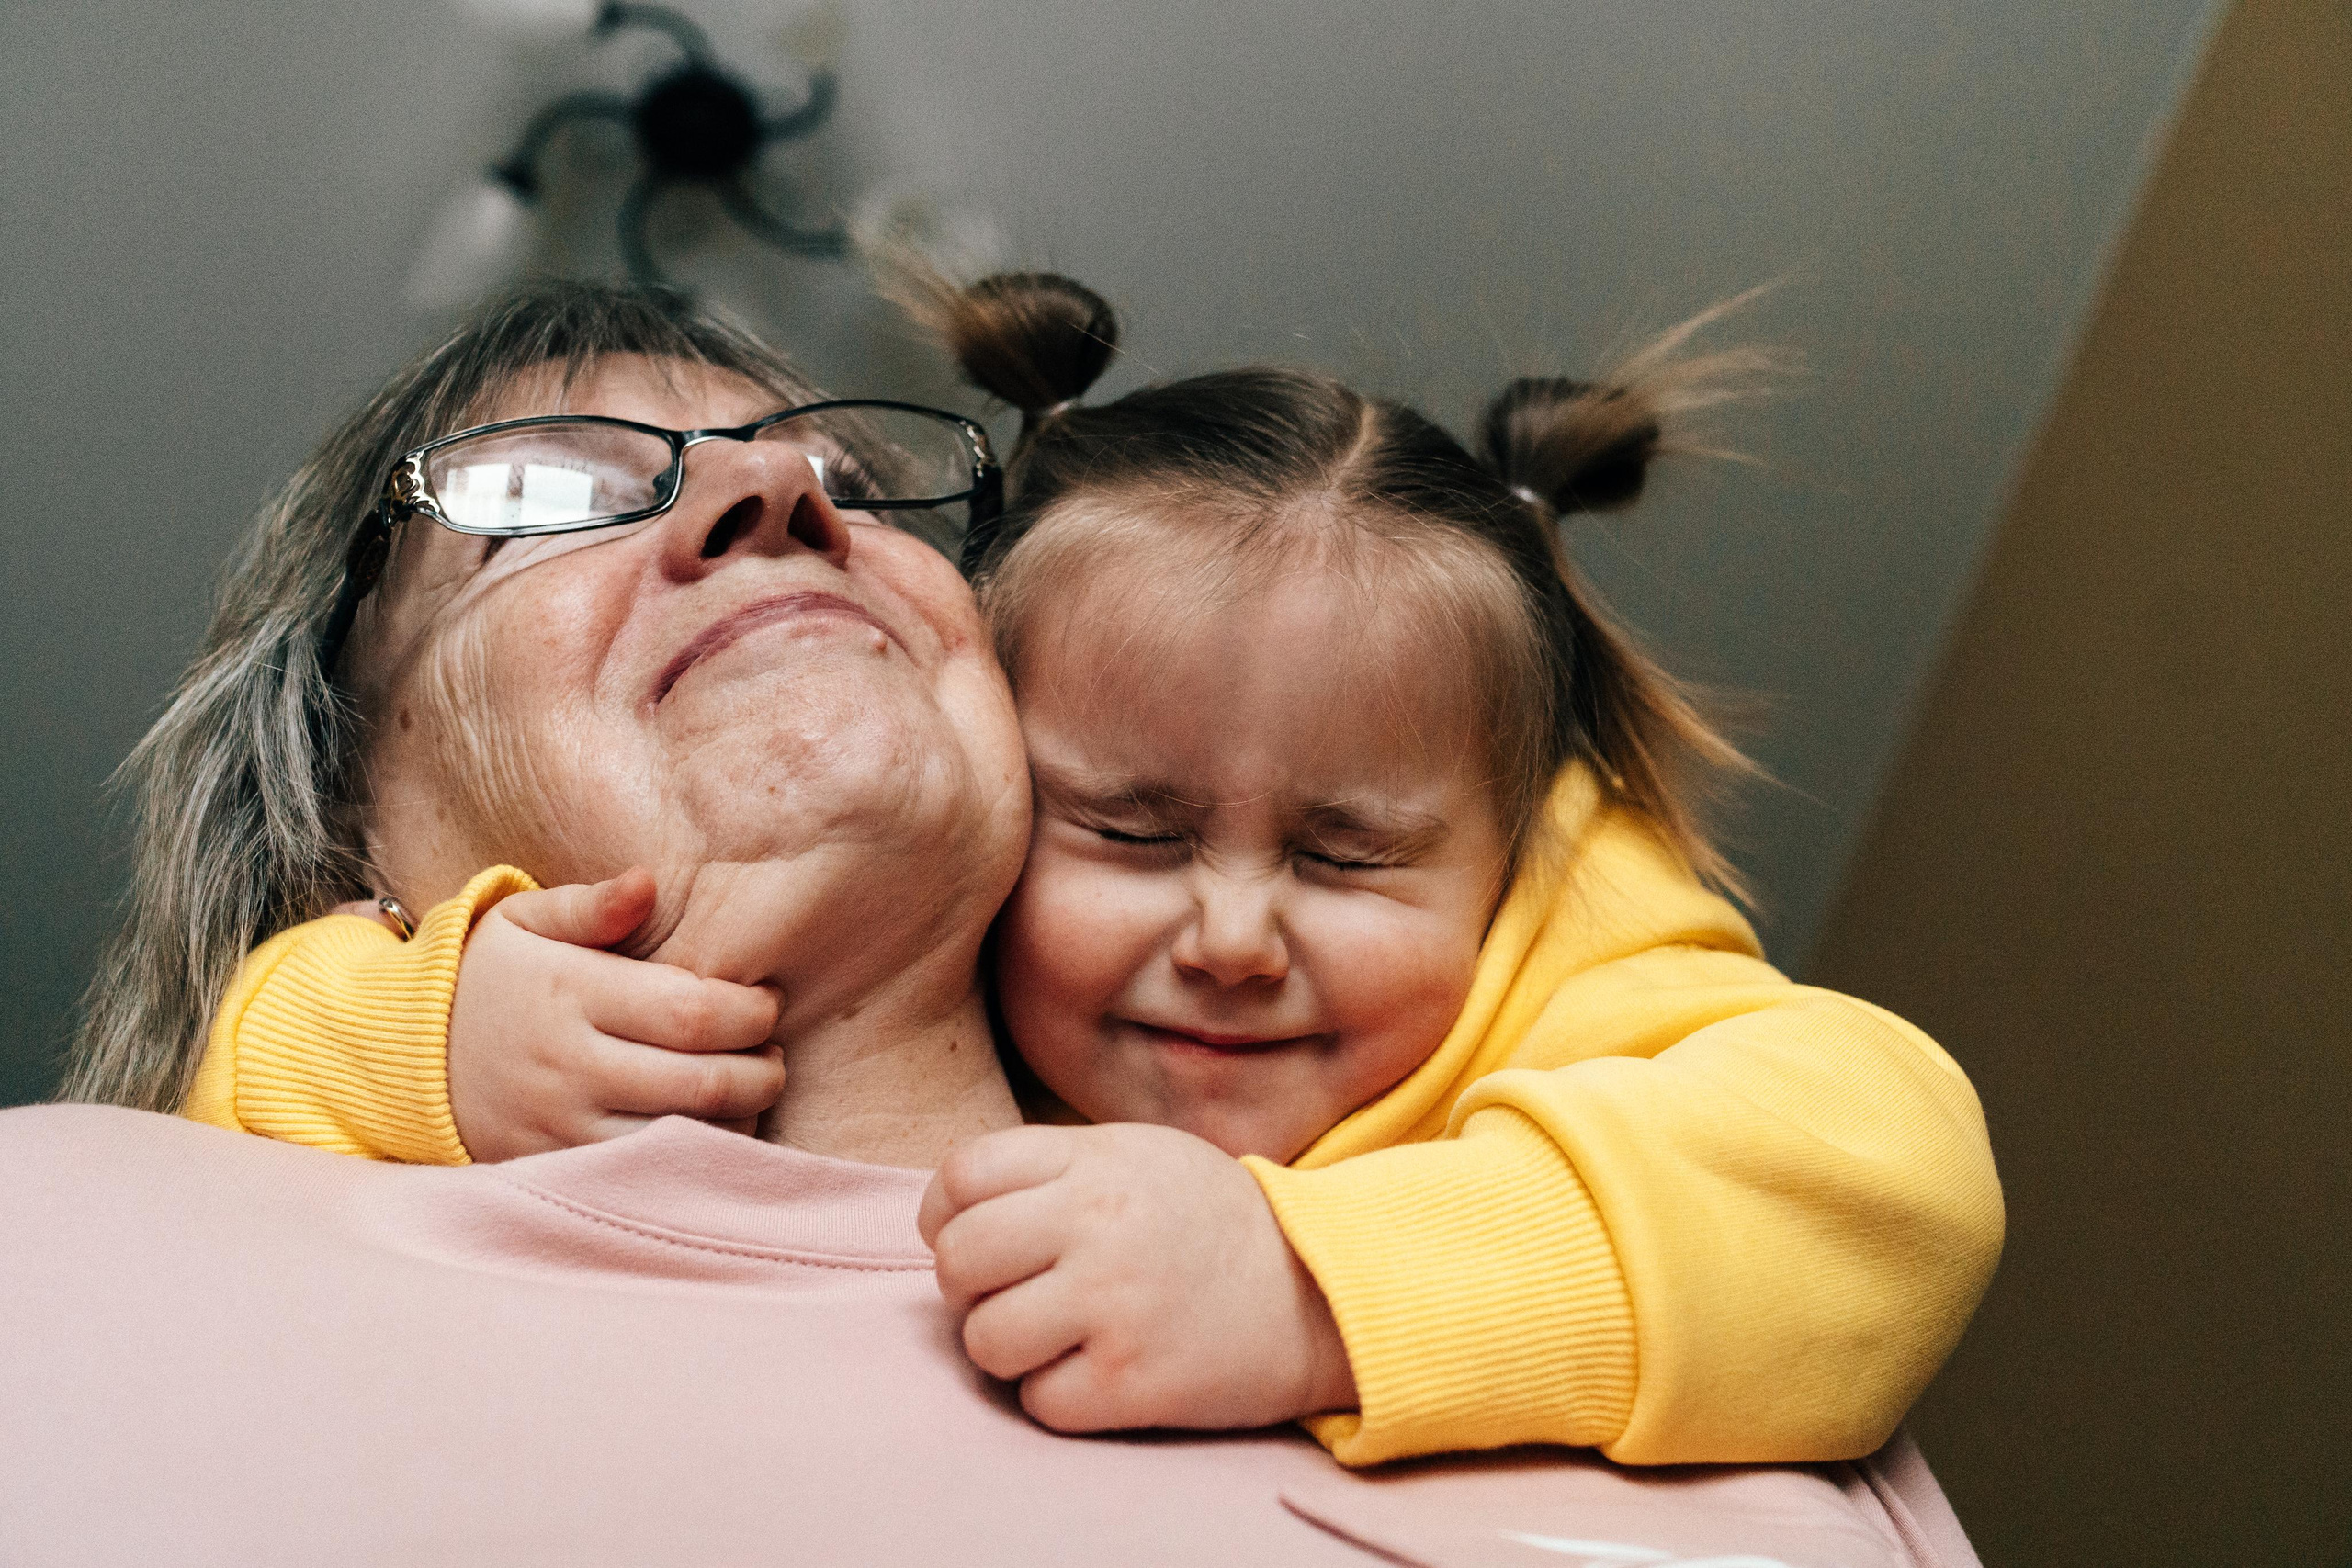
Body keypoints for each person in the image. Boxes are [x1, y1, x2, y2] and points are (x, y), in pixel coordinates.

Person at [161, 274, 2003, 1468]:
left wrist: (1316, 1281)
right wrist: (425, 1026)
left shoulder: (1504, 924)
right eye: (554, 493)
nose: (773, 494)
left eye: (847, 482)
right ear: (331, 818)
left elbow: (1872, 1167)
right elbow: (258, 1046)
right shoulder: (169, 1223)